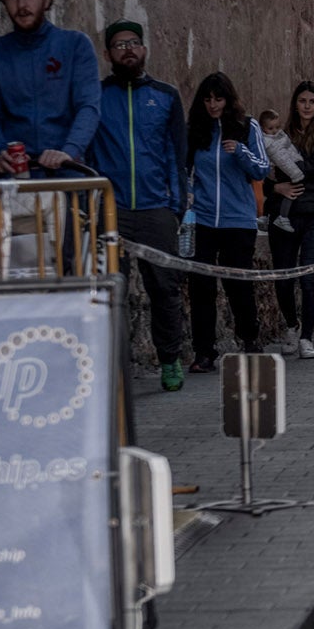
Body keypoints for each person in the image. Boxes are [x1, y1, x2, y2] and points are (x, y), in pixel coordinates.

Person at [91, 20, 190, 390]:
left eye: (133, 43)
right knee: (107, 291)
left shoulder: (165, 96)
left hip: (156, 209)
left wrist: (175, 208)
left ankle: (169, 359)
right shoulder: (96, 96)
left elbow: (177, 157)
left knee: (164, 288)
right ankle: (110, 366)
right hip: (111, 211)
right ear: (108, 54)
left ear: (144, 49)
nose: (127, 49)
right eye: (119, 45)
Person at [0, 0, 100, 175]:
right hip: (15, 176)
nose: (22, 5)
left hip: (67, 173)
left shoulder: (75, 45)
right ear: (4, 1)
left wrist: (69, 151)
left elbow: (88, 106)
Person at [185, 72, 271, 371]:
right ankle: (204, 352)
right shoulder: (196, 130)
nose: (212, 105)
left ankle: (249, 339)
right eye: (207, 99)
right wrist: (187, 200)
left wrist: (241, 152)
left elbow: (262, 169)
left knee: (239, 284)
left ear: (228, 99)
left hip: (239, 220)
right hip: (205, 220)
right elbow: (185, 171)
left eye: (218, 99)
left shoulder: (247, 126)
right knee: (201, 287)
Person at [266, 83, 314, 360]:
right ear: (295, 104)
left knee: (309, 276)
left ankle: (307, 337)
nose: (307, 106)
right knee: (284, 277)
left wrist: (285, 167)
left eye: (312, 101)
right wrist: (277, 188)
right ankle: (291, 325)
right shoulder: (283, 132)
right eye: (302, 100)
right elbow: (265, 174)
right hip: (285, 212)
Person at [258, 109, 306, 235]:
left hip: (280, 170)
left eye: (277, 127)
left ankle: (264, 215)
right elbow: (282, 159)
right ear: (263, 128)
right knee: (291, 192)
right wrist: (296, 173)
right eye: (270, 128)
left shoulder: (280, 136)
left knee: (278, 194)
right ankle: (283, 217)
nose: (275, 130)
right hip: (283, 171)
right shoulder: (269, 142)